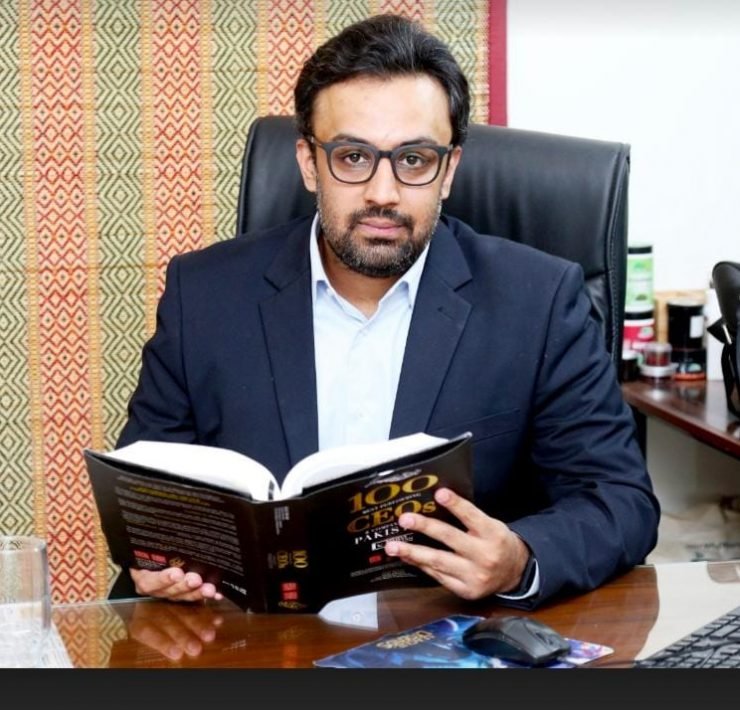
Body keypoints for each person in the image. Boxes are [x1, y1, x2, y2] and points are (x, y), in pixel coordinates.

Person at [112, 13, 660, 609]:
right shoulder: (204, 295)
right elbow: (146, 496)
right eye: (352, 157)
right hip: (260, 640)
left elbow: (620, 500)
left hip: (449, 638)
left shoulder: (540, 300)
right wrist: (158, 561)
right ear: (308, 163)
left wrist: (520, 558)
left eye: (415, 160)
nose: (383, 193)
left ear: (448, 170)